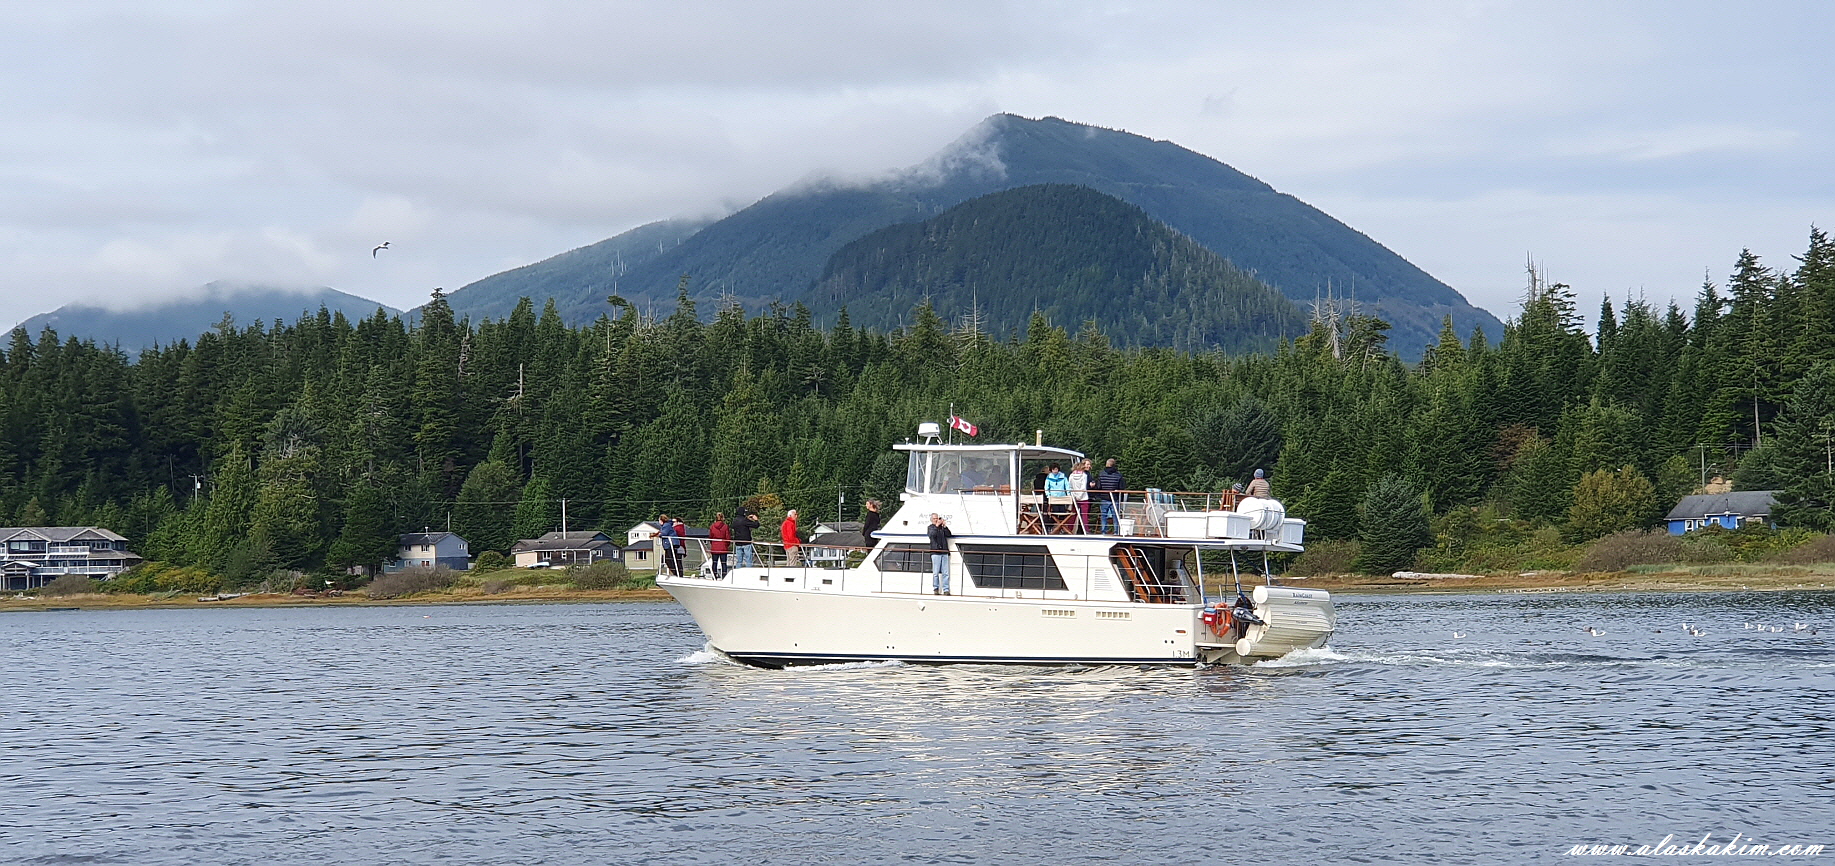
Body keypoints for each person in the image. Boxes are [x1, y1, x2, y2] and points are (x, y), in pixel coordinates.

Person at [1094, 458, 1126, 533]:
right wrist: (1121, 499)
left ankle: (1104, 531)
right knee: (1116, 516)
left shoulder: (1101, 474)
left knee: (1104, 516)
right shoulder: (1118, 475)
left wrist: (1097, 495)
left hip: (1104, 497)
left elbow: (1099, 486)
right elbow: (1121, 487)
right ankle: (1116, 532)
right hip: (1115, 498)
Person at [927, 513, 953, 595]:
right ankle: (936, 588)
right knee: (936, 573)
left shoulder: (942, 528)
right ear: (932, 519)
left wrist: (944, 526)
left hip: (944, 552)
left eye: (938, 518)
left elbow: (949, 534)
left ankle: (946, 590)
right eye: (935, 518)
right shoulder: (931, 527)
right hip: (935, 552)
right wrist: (936, 526)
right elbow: (932, 535)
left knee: (946, 573)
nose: (937, 520)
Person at [1043, 463, 1070, 532]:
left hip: (1062, 498)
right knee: (1054, 514)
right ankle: (1053, 528)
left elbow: (1067, 486)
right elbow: (1046, 487)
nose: (1055, 471)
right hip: (1053, 499)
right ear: (1051, 470)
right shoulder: (1048, 477)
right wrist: (1048, 496)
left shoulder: (1063, 477)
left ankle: (1061, 529)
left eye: (1056, 469)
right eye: (1053, 469)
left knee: (1062, 513)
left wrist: (1068, 495)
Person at [1068, 459, 1091, 532]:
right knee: (1084, 515)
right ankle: (1086, 530)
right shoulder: (1084, 475)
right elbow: (1083, 487)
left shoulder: (1071, 476)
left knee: (1073, 515)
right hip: (1083, 497)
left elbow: (1070, 487)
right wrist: (1080, 496)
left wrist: (1074, 495)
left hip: (1074, 498)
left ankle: (1069, 529)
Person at [708, 513, 731, 578]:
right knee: (724, 563)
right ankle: (724, 576)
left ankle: (714, 576)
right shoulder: (725, 526)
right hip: (723, 546)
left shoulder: (712, 526)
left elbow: (710, 536)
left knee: (714, 562)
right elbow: (727, 537)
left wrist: (713, 543)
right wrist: (727, 545)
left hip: (715, 546)